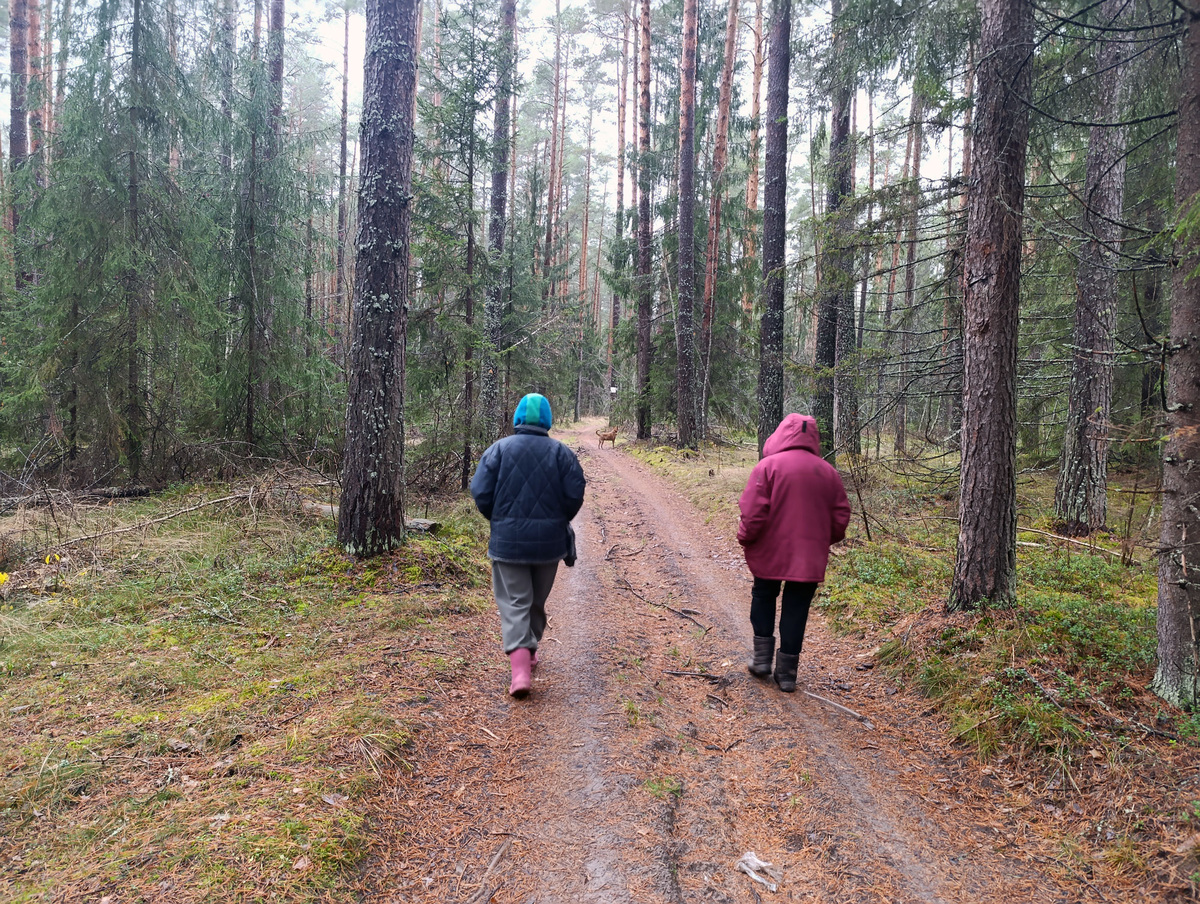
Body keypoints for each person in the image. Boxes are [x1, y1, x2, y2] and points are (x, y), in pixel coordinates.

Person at [470, 393, 586, 698]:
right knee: (535, 600)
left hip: (507, 544)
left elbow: (480, 491)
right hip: (549, 545)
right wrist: (557, 520)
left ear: (518, 418)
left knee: (515, 602)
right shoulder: (561, 453)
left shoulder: (498, 450)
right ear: (547, 420)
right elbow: (575, 494)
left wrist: (499, 519)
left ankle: (520, 670)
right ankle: (529, 651)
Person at [737, 413, 851, 692]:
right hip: (808, 556)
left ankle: (761, 660)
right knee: (796, 609)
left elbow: (753, 512)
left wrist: (745, 537)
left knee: (764, 595)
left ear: (781, 434)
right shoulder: (828, 472)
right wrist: (822, 540)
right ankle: (787, 674)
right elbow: (840, 517)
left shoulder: (768, 467)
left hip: (770, 550)